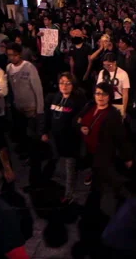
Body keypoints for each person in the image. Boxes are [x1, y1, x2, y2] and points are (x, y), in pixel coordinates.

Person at [75, 82, 133, 258]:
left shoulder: (113, 115)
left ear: (109, 96)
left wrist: (127, 156)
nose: (100, 97)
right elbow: (77, 121)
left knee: (105, 187)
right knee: (100, 186)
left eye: (104, 94)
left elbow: (121, 138)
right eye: (97, 93)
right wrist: (81, 128)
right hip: (90, 155)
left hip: (104, 156)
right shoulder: (89, 107)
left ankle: (116, 217)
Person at [5, 42, 45, 190]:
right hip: (18, 109)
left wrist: (39, 110)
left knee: (33, 139)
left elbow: (38, 89)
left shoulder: (29, 68)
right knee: (24, 138)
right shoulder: (9, 69)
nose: (11, 58)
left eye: (13, 55)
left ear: (19, 54)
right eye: (9, 55)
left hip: (31, 109)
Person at [42, 72, 87, 203]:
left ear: (73, 85)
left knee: (70, 166)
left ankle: (69, 194)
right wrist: (44, 131)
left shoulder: (77, 101)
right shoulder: (54, 97)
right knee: (58, 162)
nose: (64, 86)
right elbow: (48, 116)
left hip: (71, 140)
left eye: (68, 83)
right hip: (56, 139)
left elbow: (79, 120)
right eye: (62, 82)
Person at [96, 53, 130, 118]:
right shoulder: (102, 72)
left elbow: (125, 94)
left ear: (115, 62)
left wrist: (124, 110)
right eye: (105, 65)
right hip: (105, 100)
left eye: (109, 65)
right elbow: (98, 89)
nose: (107, 67)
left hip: (117, 101)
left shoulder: (123, 74)